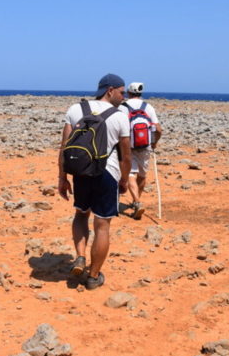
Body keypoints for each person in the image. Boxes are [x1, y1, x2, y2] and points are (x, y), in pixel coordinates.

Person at [58, 74, 131, 290]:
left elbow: (64, 148)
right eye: (121, 91)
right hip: (107, 174)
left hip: (81, 172)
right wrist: (124, 180)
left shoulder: (75, 109)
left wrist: (62, 178)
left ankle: (80, 256)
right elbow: (126, 156)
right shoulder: (120, 117)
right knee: (102, 225)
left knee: (81, 214)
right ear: (110, 90)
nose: (123, 96)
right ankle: (93, 276)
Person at [119, 81, 163, 220]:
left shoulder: (123, 107)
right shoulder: (148, 107)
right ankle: (136, 201)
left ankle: (137, 202)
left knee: (131, 174)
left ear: (128, 92)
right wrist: (154, 143)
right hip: (145, 146)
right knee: (142, 175)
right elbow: (159, 129)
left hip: (128, 145)